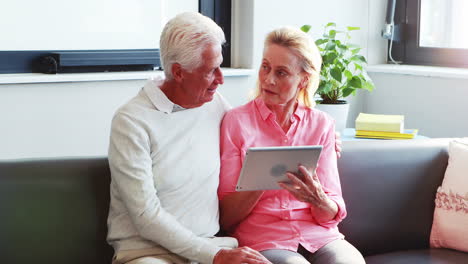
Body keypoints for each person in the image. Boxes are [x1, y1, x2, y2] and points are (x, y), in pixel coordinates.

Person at [107, 12, 272, 264]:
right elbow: (145, 216)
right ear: (179, 72)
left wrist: (328, 140)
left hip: (212, 244)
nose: (221, 79)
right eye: (211, 70)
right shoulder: (131, 121)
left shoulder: (214, 103)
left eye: (220, 66)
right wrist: (215, 256)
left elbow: (254, 134)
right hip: (148, 253)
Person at [218, 27, 365, 264]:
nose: (268, 79)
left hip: (319, 237)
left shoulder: (322, 125)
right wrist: (260, 179)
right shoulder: (236, 122)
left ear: (304, 79)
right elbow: (226, 218)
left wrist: (319, 200)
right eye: (265, 67)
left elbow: (332, 212)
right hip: (265, 240)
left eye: (282, 72)